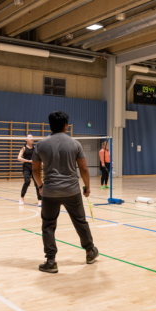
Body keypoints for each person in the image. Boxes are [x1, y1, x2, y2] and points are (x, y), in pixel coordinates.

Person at [32, 111, 99, 273]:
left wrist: (41, 186)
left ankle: (51, 261)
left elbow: (35, 170)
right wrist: (87, 187)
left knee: (48, 225)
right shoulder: (75, 144)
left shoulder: (40, 145)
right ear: (65, 126)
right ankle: (90, 252)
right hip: (72, 191)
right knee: (80, 221)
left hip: (50, 192)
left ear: (50, 125)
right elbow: (83, 168)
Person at [17, 134, 42, 207]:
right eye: (30, 137)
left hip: (34, 168)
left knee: (37, 183)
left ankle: (40, 200)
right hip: (26, 167)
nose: (32, 138)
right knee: (27, 181)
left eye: (32, 137)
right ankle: (22, 198)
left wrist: (42, 162)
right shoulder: (23, 148)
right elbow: (19, 157)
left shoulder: (35, 148)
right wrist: (28, 161)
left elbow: (39, 157)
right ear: (26, 139)